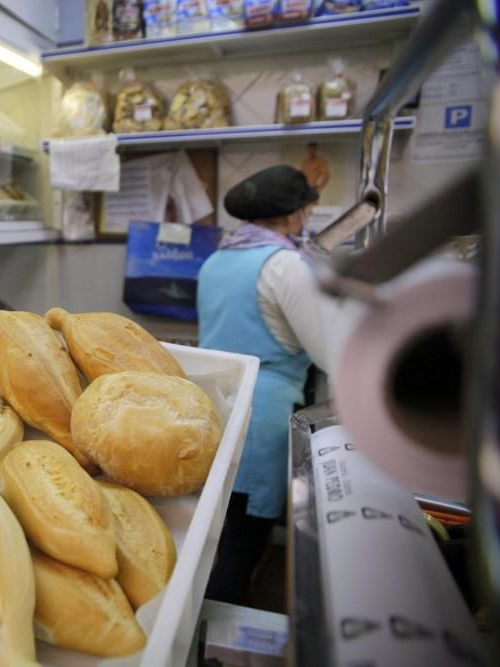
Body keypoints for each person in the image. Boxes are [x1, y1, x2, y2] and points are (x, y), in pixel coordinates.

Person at [198, 165, 330, 605]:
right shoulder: (285, 265)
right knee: (244, 542)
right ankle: (218, 634)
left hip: (213, 404)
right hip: (263, 413)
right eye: (307, 210)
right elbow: (327, 350)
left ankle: (199, 625)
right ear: (294, 216)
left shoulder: (218, 258)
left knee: (216, 536)